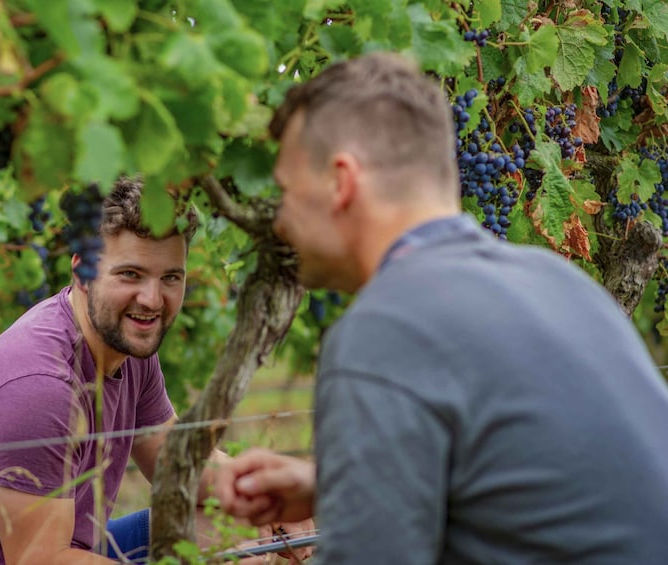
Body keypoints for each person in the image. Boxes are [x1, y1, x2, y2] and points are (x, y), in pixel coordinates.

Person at [213, 52, 668, 563]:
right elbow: (556, 485)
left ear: (341, 182)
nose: (279, 222)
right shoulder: (557, 283)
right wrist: (339, 484)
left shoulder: (384, 330)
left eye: (286, 192)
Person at [0, 177, 310, 564]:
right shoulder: (41, 388)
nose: (151, 299)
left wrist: (269, 503)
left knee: (240, 528)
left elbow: (174, 460)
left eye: (170, 277)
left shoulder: (128, 349)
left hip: (73, 547)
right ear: (82, 270)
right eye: (131, 274)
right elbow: (44, 561)